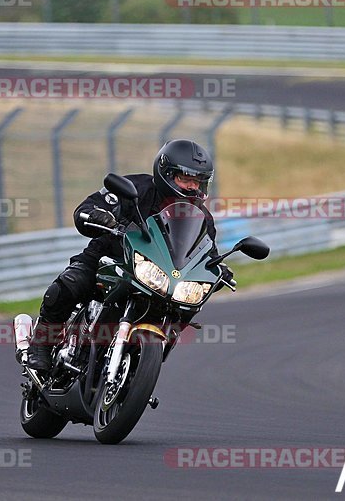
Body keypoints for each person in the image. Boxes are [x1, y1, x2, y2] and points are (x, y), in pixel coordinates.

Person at [27, 139, 233, 372]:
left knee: (185, 308)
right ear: (166, 173)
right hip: (111, 259)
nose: (192, 187)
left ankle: (139, 369)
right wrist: (97, 215)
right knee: (71, 284)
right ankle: (41, 344)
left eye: (198, 181)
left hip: (160, 280)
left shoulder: (202, 218)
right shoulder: (135, 188)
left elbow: (205, 253)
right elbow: (88, 207)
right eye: (185, 179)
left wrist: (217, 270)